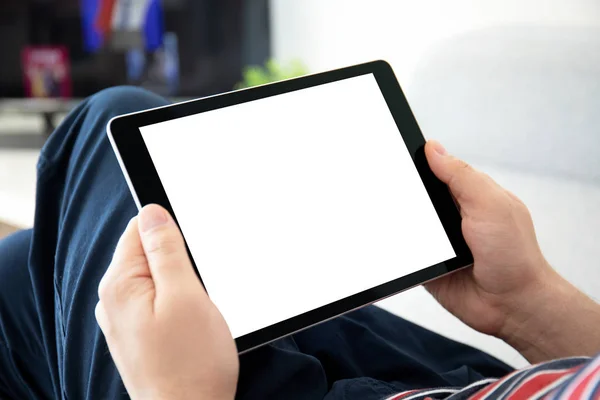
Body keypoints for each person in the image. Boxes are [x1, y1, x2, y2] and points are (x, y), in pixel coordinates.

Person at [0, 87, 598, 400]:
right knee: (38, 265)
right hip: (480, 385)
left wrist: (178, 393)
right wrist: (527, 301)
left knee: (110, 126)